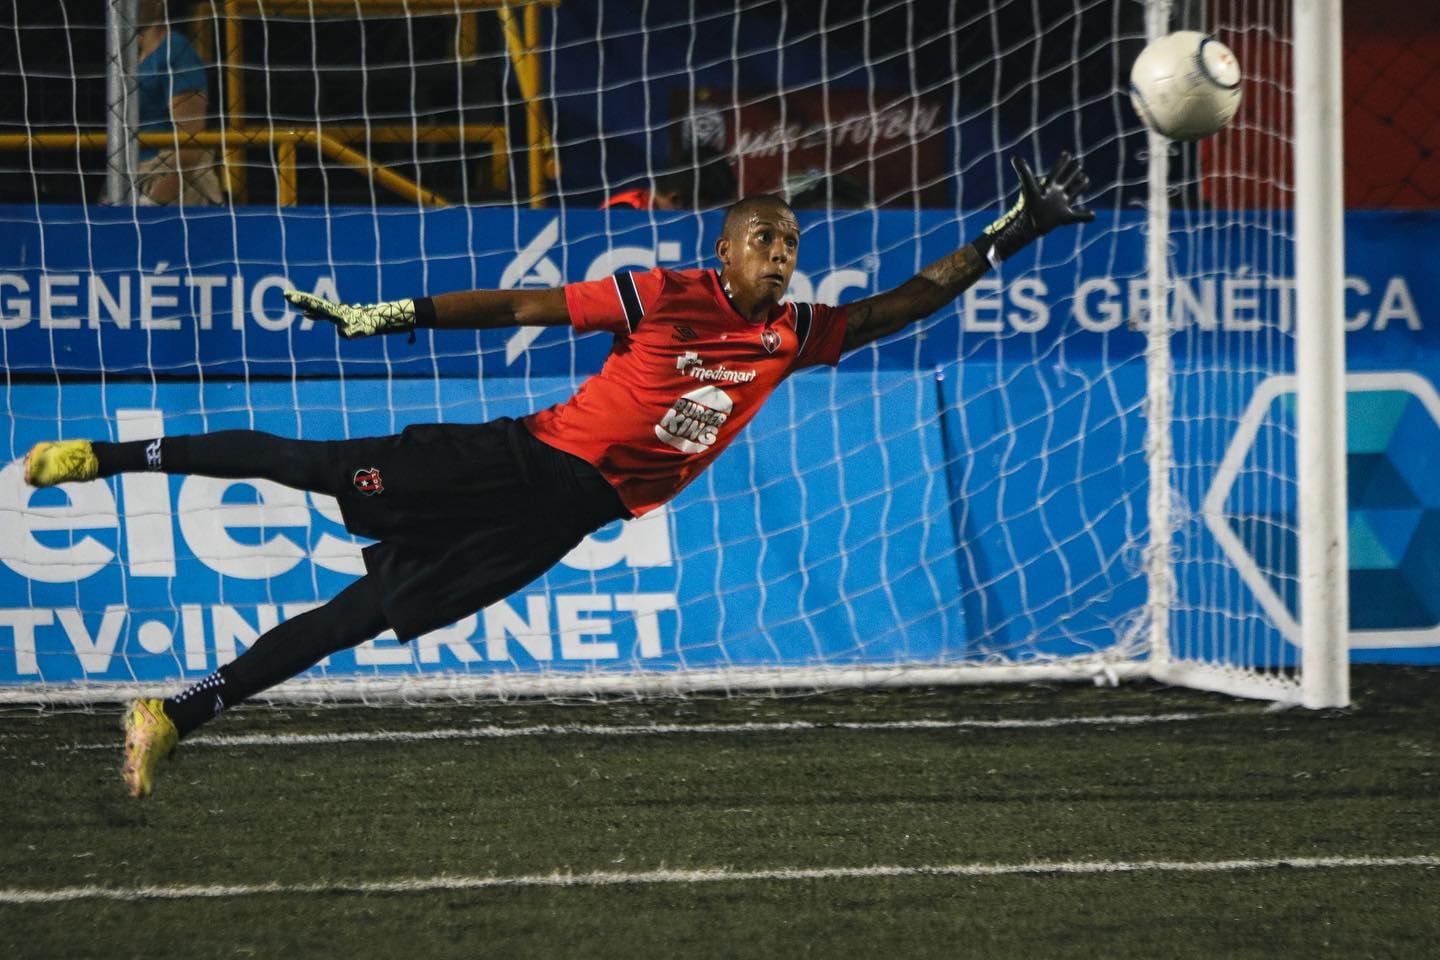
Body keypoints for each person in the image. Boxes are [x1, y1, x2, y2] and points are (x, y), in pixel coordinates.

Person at [22, 152, 1091, 797]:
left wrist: (1013, 230)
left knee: (365, 611)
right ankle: (102, 458)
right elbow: (528, 307)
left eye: (793, 240)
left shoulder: (797, 334)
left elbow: (906, 300)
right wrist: (402, 312)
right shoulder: (666, 294)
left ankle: (174, 712)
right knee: (305, 466)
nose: (783, 250)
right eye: (764, 236)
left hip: (559, 520)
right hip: (514, 461)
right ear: (724, 251)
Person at [133, 0, 223, 206]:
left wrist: (154, 201)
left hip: (171, 186)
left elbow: (191, 142)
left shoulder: (175, 51)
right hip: (136, 176)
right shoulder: (136, 56)